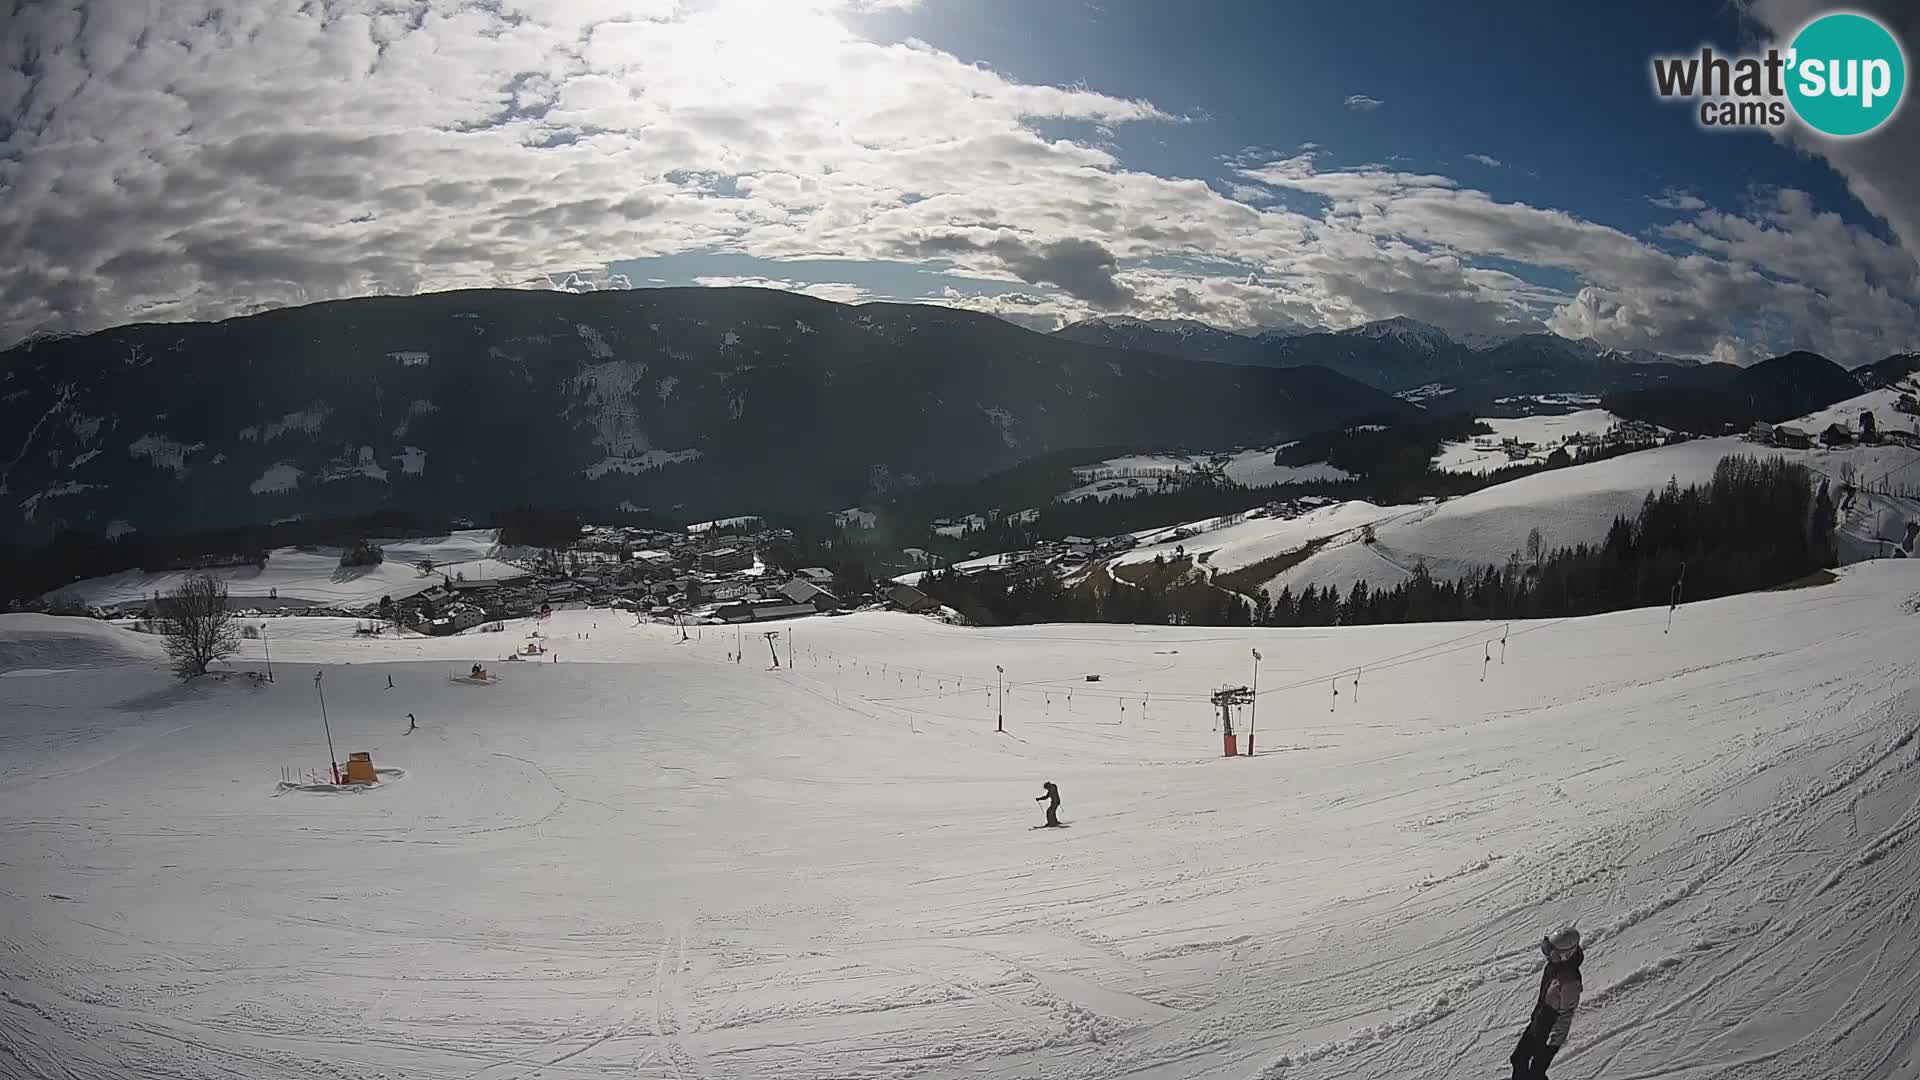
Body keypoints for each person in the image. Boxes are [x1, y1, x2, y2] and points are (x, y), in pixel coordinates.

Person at [1511, 927, 1583, 1080]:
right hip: (1540, 1020)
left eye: (1551, 951)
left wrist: (1551, 1043)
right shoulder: (1554, 966)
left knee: (1535, 1074)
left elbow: (1565, 1014)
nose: (1547, 954)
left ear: (1565, 954)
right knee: (1518, 1058)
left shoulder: (1570, 981)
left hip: (1549, 1032)